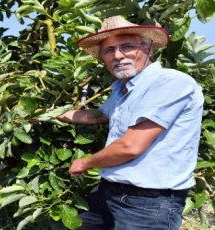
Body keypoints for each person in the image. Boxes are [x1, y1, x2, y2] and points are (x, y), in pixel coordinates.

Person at [56, 16, 204, 229]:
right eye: (109, 50)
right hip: (109, 192)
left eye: (127, 46)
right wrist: (57, 114)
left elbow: (130, 146)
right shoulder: (121, 89)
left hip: (149, 203)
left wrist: (85, 163)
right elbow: (99, 116)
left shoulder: (171, 83)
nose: (118, 55)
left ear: (149, 48)